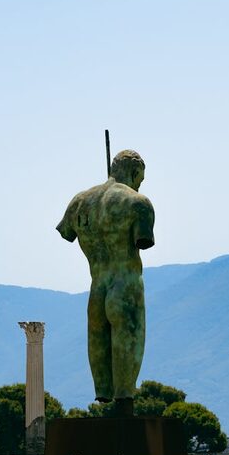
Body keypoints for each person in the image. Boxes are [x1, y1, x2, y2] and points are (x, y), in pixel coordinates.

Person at [57, 150, 155, 416]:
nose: (140, 184)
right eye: (141, 179)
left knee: (98, 342)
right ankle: (124, 401)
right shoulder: (138, 203)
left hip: (97, 289)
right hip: (126, 288)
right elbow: (142, 241)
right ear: (134, 172)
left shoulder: (80, 201)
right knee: (130, 341)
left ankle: (102, 392)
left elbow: (66, 232)